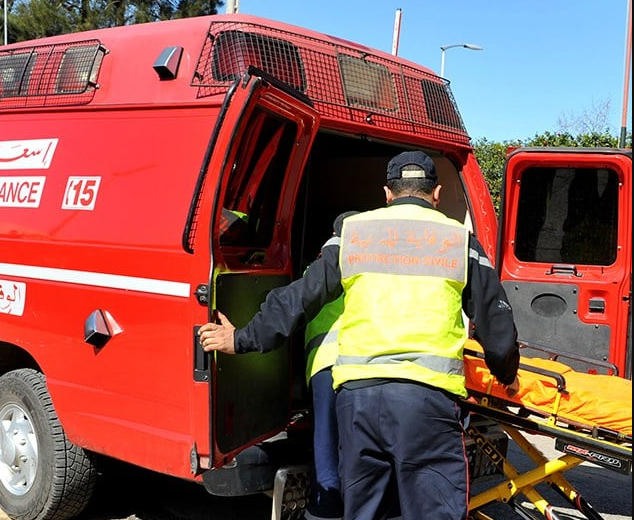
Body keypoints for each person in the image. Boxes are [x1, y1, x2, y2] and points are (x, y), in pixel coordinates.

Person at [198, 150, 520, 520]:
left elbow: (302, 296)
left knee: (364, 511)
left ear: (387, 193)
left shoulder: (355, 234)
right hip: (425, 401)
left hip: (358, 401)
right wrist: (506, 376)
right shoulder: (458, 240)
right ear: (437, 192)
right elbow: (496, 323)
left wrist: (242, 338)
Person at [302, 210, 356, 520]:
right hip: (365, 363)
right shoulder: (373, 268)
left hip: (326, 363)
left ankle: (325, 509)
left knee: (326, 439)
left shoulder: (318, 267)